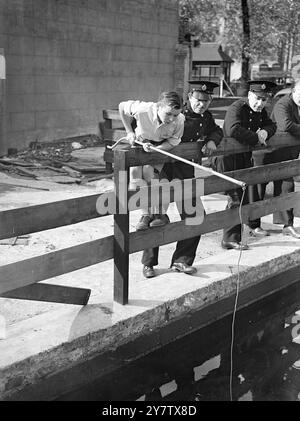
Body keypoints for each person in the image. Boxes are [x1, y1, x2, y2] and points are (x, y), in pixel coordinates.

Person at [141, 81, 223, 278]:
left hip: (185, 172)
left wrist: (212, 140)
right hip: (163, 170)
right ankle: (149, 263)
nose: (201, 104)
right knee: (156, 218)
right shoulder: (176, 116)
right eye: (197, 100)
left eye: (205, 101)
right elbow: (152, 129)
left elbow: (217, 130)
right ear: (189, 98)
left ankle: (181, 260)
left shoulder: (206, 117)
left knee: (195, 216)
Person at [213, 80, 277, 250]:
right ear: (249, 95)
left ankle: (232, 236)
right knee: (235, 197)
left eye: (264, 100)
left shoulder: (261, 111)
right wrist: (257, 138)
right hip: (227, 158)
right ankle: (229, 238)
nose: (260, 103)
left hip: (243, 158)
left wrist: (264, 132)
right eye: (257, 98)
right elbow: (233, 129)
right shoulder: (238, 107)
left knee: (239, 197)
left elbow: (272, 125)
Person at [119, 92, 185, 231]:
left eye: (175, 115)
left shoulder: (180, 120)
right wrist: (129, 132)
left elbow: (173, 142)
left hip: (161, 146)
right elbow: (121, 107)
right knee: (135, 175)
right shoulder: (142, 109)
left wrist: (156, 149)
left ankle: (158, 214)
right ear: (158, 107)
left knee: (151, 175)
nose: (172, 119)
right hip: (140, 142)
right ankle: (145, 214)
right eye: (168, 114)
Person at [265, 79, 300, 238]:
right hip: (270, 153)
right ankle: (252, 224)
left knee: (287, 187)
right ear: (293, 91)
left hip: (287, 155)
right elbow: (286, 125)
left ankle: (287, 224)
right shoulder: (283, 104)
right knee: (258, 189)